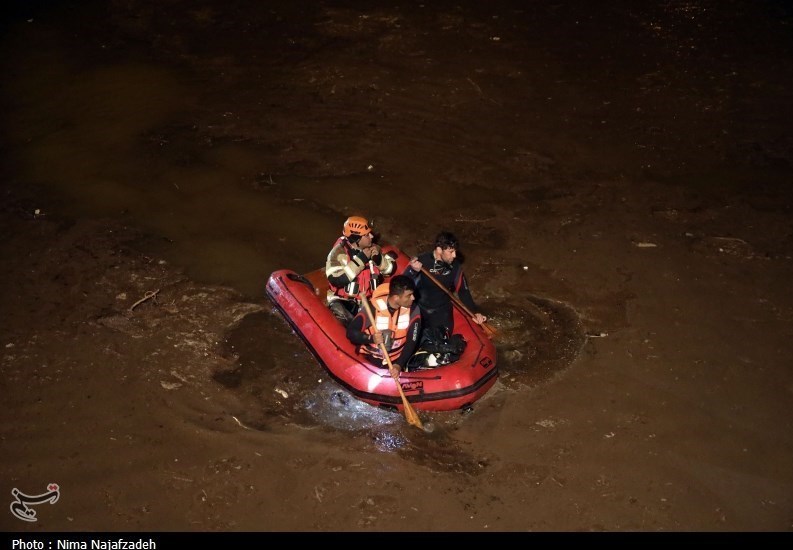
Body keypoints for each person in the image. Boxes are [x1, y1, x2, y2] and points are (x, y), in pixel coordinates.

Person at [403, 230, 487, 335]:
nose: (455, 255)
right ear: (439, 250)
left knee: (443, 341)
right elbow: (402, 284)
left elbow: (463, 291)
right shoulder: (422, 261)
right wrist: (413, 271)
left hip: (442, 311)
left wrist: (475, 312)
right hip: (420, 308)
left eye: (455, 251)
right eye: (451, 252)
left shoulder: (455, 267)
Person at [325, 215, 396, 326]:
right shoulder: (338, 252)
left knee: (383, 319)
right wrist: (361, 260)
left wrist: (379, 260)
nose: (371, 237)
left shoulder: (373, 249)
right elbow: (336, 279)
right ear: (356, 239)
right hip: (344, 301)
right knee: (344, 316)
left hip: (367, 301)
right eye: (367, 235)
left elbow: (390, 269)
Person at [346, 275, 422, 375]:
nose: (413, 298)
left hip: (396, 360)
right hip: (370, 359)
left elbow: (412, 341)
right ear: (396, 298)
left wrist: (399, 365)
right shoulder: (372, 308)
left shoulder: (413, 310)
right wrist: (371, 338)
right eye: (409, 295)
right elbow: (351, 333)